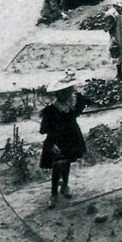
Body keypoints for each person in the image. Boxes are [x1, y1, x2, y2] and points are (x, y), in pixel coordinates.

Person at [38, 73, 87, 209]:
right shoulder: (51, 111)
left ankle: (64, 186)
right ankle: (53, 193)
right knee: (57, 165)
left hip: (72, 137)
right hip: (57, 140)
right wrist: (52, 143)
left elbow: (82, 105)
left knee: (67, 162)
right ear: (59, 94)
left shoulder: (73, 104)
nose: (68, 94)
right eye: (65, 92)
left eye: (70, 91)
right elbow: (44, 130)